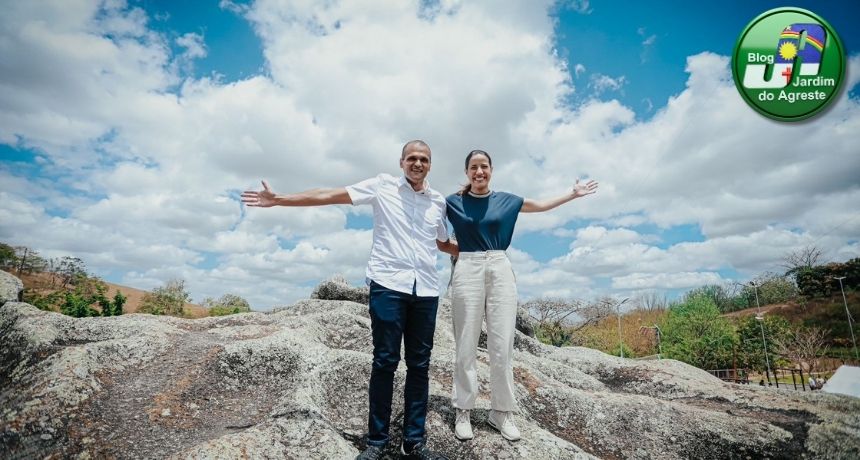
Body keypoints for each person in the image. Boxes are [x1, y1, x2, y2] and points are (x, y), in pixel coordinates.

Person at [242, 140, 457, 460]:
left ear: (430, 164)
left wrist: (481, 247)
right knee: (385, 361)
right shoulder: (382, 186)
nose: (417, 163)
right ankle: (376, 441)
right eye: (411, 158)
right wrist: (281, 200)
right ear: (401, 162)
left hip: (425, 290)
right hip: (388, 285)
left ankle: (413, 442)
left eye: (423, 159)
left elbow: (443, 243)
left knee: (420, 366)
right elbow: (330, 194)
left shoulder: (437, 201)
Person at [445, 149, 597, 441]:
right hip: (468, 269)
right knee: (466, 344)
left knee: (502, 346)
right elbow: (434, 229)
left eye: (484, 166)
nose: (479, 172)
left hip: (500, 265)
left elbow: (539, 205)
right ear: (467, 172)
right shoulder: (453, 202)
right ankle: (463, 409)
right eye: (474, 167)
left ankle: (501, 413)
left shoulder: (507, 200)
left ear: (491, 169)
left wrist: (572, 194)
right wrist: (460, 250)